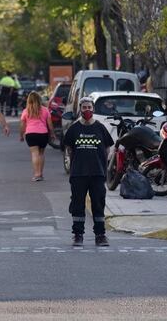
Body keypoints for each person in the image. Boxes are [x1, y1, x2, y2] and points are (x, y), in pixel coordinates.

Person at [62, 97, 114, 247]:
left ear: (93, 109)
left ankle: (100, 235)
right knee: (78, 205)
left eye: (89, 107)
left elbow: (108, 148)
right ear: (80, 109)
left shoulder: (100, 128)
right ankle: (78, 235)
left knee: (98, 204)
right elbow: (69, 148)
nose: (87, 110)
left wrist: (102, 163)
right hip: (78, 174)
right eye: (84, 107)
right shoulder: (74, 128)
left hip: (97, 173)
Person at [19, 91, 54, 181]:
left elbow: (22, 125)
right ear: (39, 99)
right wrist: (52, 134)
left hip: (31, 134)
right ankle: (40, 174)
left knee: (35, 154)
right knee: (41, 154)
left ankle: (36, 174)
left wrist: (21, 135)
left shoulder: (26, 111)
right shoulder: (45, 110)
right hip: (43, 134)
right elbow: (50, 124)